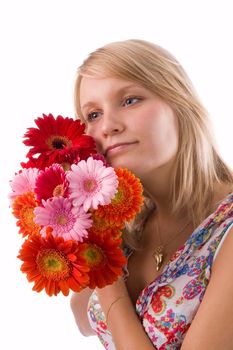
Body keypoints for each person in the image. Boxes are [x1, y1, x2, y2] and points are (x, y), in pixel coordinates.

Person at [70, 39, 233, 349]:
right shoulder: (131, 223)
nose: (108, 126)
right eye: (92, 115)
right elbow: (82, 319)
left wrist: (109, 281)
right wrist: (83, 222)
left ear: (180, 102)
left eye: (130, 100)